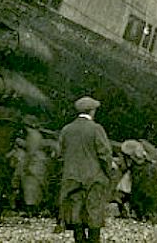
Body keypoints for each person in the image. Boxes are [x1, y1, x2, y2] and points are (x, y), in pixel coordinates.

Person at [59, 96, 113, 243]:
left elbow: (60, 154)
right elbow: (105, 155)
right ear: (92, 111)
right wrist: (108, 174)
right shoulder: (96, 129)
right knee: (93, 212)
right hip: (93, 178)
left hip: (72, 178)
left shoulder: (66, 129)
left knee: (76, 213)